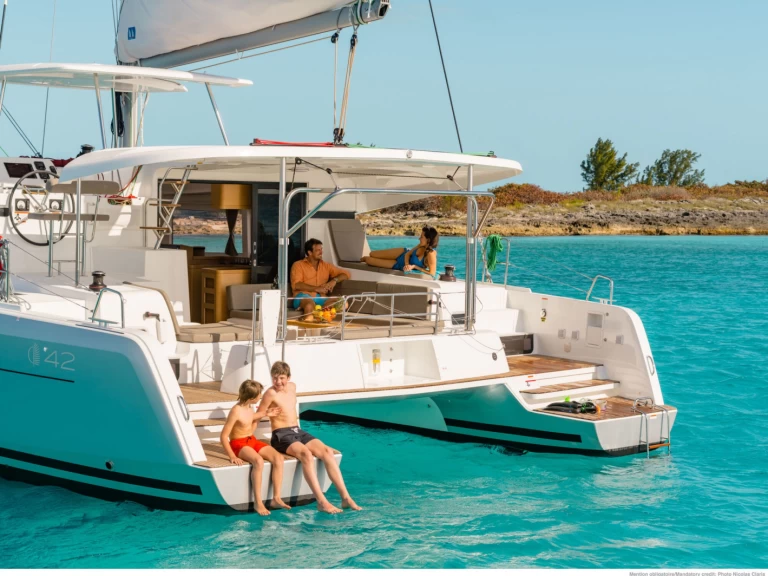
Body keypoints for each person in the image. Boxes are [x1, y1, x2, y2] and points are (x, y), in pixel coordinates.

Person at [259, 361, 362, 514]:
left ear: (288, 377)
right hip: (281, 434)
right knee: (306, 454)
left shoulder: (293, 387)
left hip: (297, 431)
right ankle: (321, 501)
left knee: (327, 452)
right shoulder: (270, 393)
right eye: (274, 378)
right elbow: (259, 413)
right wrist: (267, 413)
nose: (278, 382)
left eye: (281, 378)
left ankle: (345, 498)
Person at [220, 380, 291, 516]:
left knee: (278, 458)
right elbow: (223, 436)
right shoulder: (236, 410)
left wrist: (266, 413)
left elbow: (250, 417)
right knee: (258, 461)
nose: (260, 397)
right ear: (252, 398)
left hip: (251, 440)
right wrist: (232, 456)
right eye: (259, 395)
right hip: (238, 444)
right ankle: (258, 503)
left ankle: (276, 498)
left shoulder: (249, 407)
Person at [290, 238, 350, 320]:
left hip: (321, 297)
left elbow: (346, 274)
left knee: (343, 303)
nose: (321, 252)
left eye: (321, 249)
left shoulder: (326, 266)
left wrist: (334, 281)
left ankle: (319, 313)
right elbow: (297, 285)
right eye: (318, 250)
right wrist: (317, 289)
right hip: (303, 296)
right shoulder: (298, 265)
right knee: (309, 305)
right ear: (310, 252)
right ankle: (309, 329)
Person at [362, 226, 439, 277]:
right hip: (401, 253)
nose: (419, 238)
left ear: (428, 240)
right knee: (372, 253)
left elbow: (432, 273)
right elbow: (408, 254)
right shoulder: (420, 245)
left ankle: (365, 258)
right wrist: (407, 264)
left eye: (421, 237)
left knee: (369, 260)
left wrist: (414, 267)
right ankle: (363, 257)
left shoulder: (431, 253)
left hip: (398, 265)